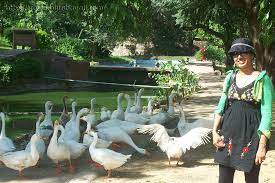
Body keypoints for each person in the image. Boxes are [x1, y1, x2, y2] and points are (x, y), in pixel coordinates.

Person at [212, 38, 274, 183]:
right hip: (228, 136)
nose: (239, 57)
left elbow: (267, 114)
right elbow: (220, 107)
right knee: (224, 180)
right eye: (235, 54)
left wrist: (262, 146)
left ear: (252, 55)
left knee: (251, 180)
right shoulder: (230, 77)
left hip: (252, 138)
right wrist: (214, 132)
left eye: (243, 52)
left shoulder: (262, 79)